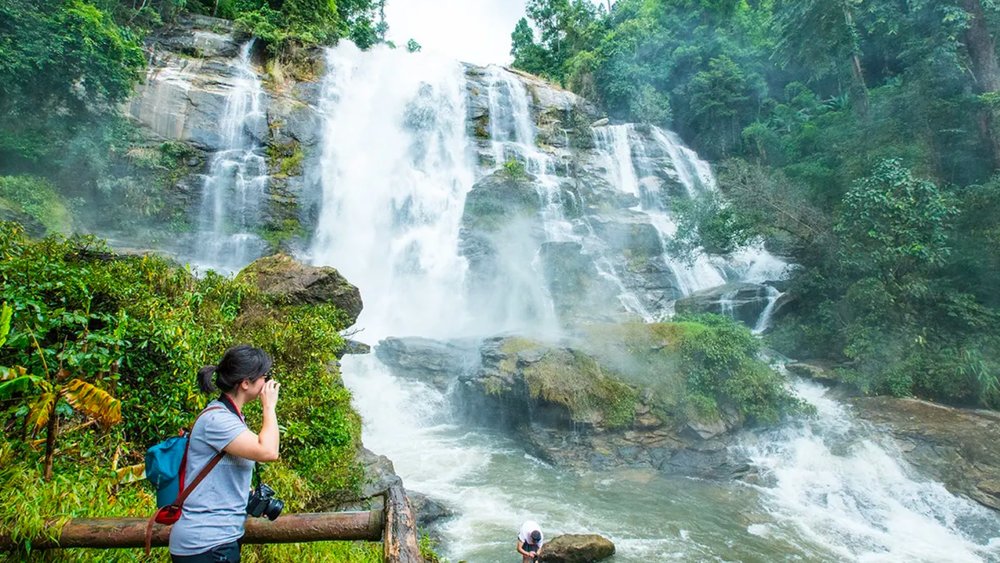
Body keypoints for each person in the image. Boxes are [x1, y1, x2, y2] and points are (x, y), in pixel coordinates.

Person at [168, 345, 281, 563]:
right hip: (206, 543)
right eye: (264, 377)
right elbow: (268, 451)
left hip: (216, 541)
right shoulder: (217, 420)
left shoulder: (230, 417)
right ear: (246, 383)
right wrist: (269, 407)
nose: (267, 384)